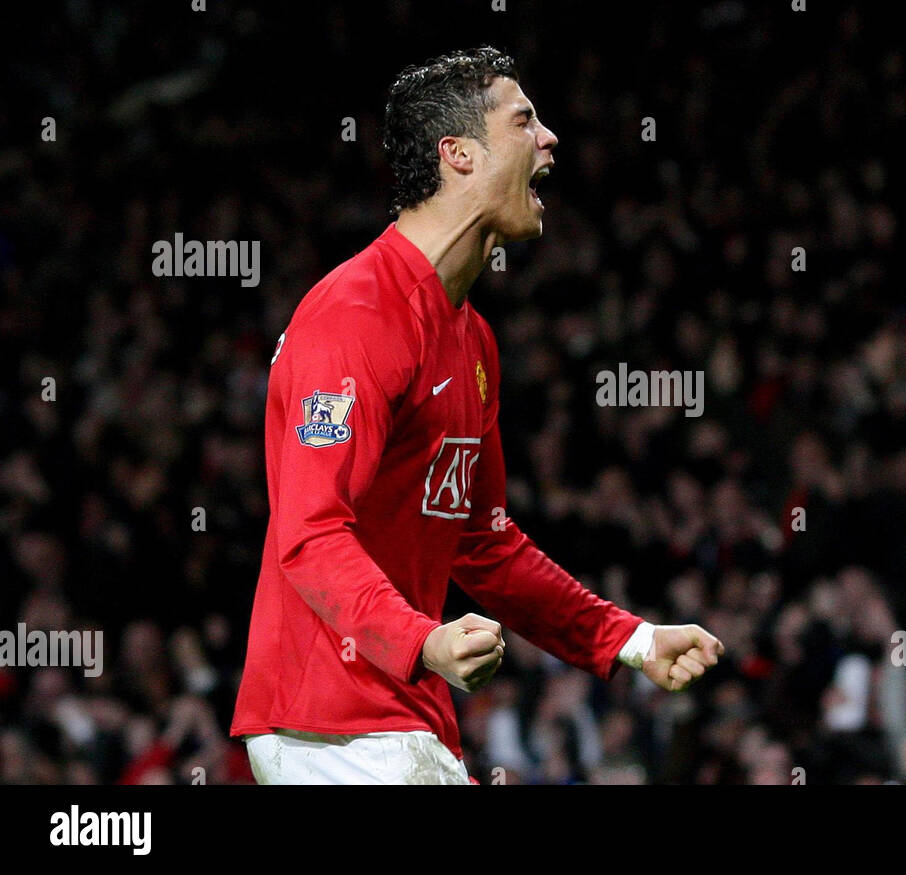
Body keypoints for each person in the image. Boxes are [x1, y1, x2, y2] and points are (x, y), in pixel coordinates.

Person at [230, 46, 724, 784]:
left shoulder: (474, 340)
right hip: (328, 718)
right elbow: (308, 533)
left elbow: (484, 543)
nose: (549, 137)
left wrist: (627, 638)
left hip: (406, 713)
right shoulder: (353, 315)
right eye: (525, 120)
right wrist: (422, 640)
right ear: (457, 153)